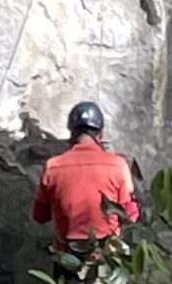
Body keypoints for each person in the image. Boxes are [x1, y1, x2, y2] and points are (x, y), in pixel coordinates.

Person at [32, 99, 140, 262]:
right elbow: (131, 215)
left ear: (72, 133)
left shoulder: (52, 166)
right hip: (106, 255)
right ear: (100, 134)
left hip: (68, 256)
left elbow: (40, 216)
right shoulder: (118, 164)